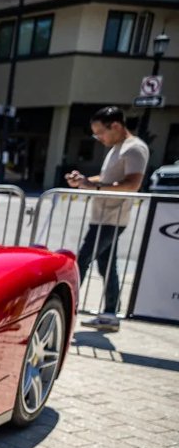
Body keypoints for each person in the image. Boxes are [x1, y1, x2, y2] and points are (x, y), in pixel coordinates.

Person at [65, 106, 148, 332]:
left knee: (81, 261)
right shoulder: (117, 148)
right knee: (107, 266)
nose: (99, 138)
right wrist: (83, 180)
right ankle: (111, 314)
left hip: (112, 218)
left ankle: (66, 310)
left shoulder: (134, 149)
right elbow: (106, 178)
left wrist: (94, 185)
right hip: (103, 216)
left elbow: (133, 184)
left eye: (100, 132)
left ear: (116, 126)